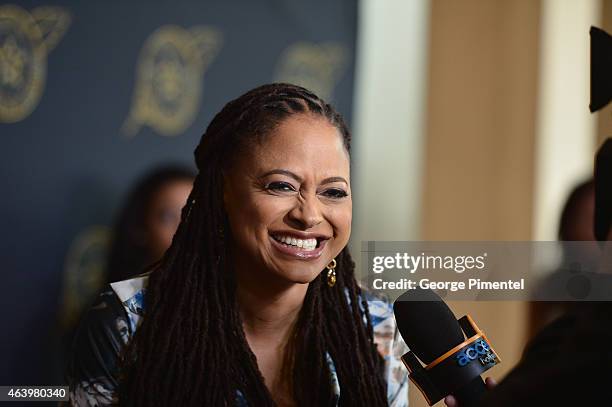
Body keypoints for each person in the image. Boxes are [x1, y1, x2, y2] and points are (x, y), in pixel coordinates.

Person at [65, 83, 408, 406]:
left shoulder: (376, 326)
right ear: (223, 193)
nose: (309, 215)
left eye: (333, 192)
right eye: (281, 186)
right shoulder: (127, 324)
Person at [105, 165, 196, 284]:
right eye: (168, 216)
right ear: (140, 228)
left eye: (196, 214)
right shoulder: (117, 300)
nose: (187, 228)